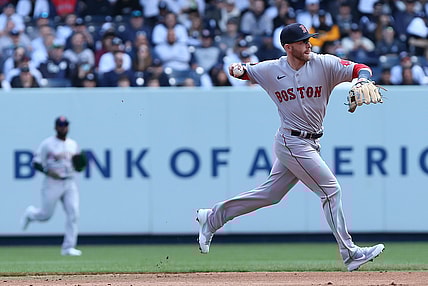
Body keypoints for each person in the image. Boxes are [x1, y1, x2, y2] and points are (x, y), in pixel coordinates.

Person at [196, 23, 385, 272]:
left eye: (309, 40)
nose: (309, 44)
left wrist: (362, 80)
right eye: (303, 41)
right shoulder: (272, 69)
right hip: (291, 140)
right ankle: (350, 253)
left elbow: (361, 68)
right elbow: (245, 72)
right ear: (288, 47)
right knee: (330, 191)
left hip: (311, 141)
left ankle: (212, 218)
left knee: (270, 194)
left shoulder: (324, 64)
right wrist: (237, 68)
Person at [21, 116, 84, 256]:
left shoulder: (73, 144)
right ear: (55, 127)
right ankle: (30, 213)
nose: (63, 127)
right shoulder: (47, 144)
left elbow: (78, 164)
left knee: (73, 213)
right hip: (52, 182)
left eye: (65, 125)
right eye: (60, 125)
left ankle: (68, 247)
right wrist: (48, 171)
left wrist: (80, 165)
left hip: (69, 181)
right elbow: (36, 162)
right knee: (45, 215)